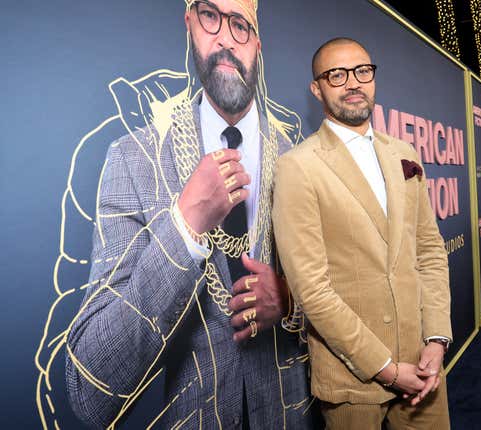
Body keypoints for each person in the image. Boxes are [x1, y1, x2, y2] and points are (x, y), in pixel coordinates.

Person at [62, 1, 315, 428]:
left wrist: (290, 300)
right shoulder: (133, 159)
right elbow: (90, 389)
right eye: (210, 16)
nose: (224, 39)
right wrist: (186, 225)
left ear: (257, 44)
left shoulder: (300, 159)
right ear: (189, 24)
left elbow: (347, 293)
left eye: (240, 25)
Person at [272, 37, 452, 429]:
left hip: (424, 368)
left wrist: (437, 340)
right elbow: (311, 290)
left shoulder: (405, 153)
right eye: (336, 75)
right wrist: (386, 368)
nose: (353, 83)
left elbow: (430, 252)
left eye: (362, 71)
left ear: (373, 78)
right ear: (317, 88)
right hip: (351, 379)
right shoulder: (298, 167)